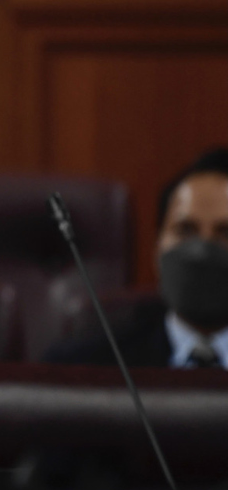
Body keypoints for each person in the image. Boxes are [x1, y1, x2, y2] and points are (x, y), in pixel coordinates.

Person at [44, 148, 228, 368]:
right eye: (185, 230)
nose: (202, 251)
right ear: (157, 246)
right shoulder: (82, 368)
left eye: (225, 233)